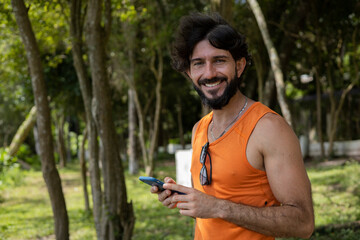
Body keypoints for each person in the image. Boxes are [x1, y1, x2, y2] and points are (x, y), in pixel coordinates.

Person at [151, 12, 314, 239]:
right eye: (199, 64)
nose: (209, 73)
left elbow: (303, 223)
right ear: (189, 73)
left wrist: (218, 206)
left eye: (219, 60)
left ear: (239, 66)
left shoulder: (268, 128)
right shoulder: (199, 129)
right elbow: (212, 211)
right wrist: (185, 198)